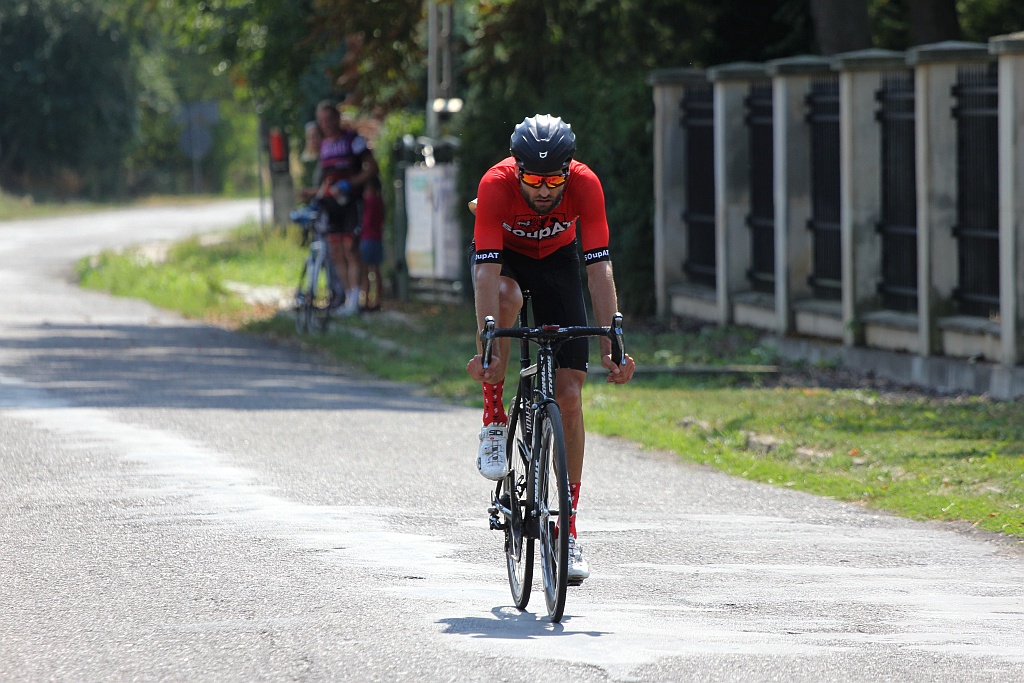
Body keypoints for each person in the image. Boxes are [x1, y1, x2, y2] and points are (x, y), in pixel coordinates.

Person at [465, 114, 636, 583]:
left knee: (571, 392)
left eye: (554, 180)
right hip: (507, 262)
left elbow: (598, 270)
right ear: (517, 169)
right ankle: (493, 414)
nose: (543, 190)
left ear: (569, 169)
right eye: (534, 180)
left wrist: (611, 343)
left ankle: (569, 529)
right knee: (504, 304)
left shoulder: (586, 184)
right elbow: (484, 274)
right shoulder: (496, 185)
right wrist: (488, 347)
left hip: (558, 261)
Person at [301, 101, 378, 316]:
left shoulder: (353, 141)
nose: (326, 124)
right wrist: (316, 193)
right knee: (336, 252)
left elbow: (371, 168)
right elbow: (325, 178)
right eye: (322, 120)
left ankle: (355, 299)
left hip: (351, 204)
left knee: (351, 250)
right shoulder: (323, 145)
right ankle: (344, 296)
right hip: (330, 206)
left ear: (337, 118)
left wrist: (350, 184)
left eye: (329, 119)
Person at [359, 174, 385, 312]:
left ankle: (366, 301)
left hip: (366, 238)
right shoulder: (380, 201)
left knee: (365, 272)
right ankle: (378, 300)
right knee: (376, 271)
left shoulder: (367, 201)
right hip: (377, 238)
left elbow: (366, 221)